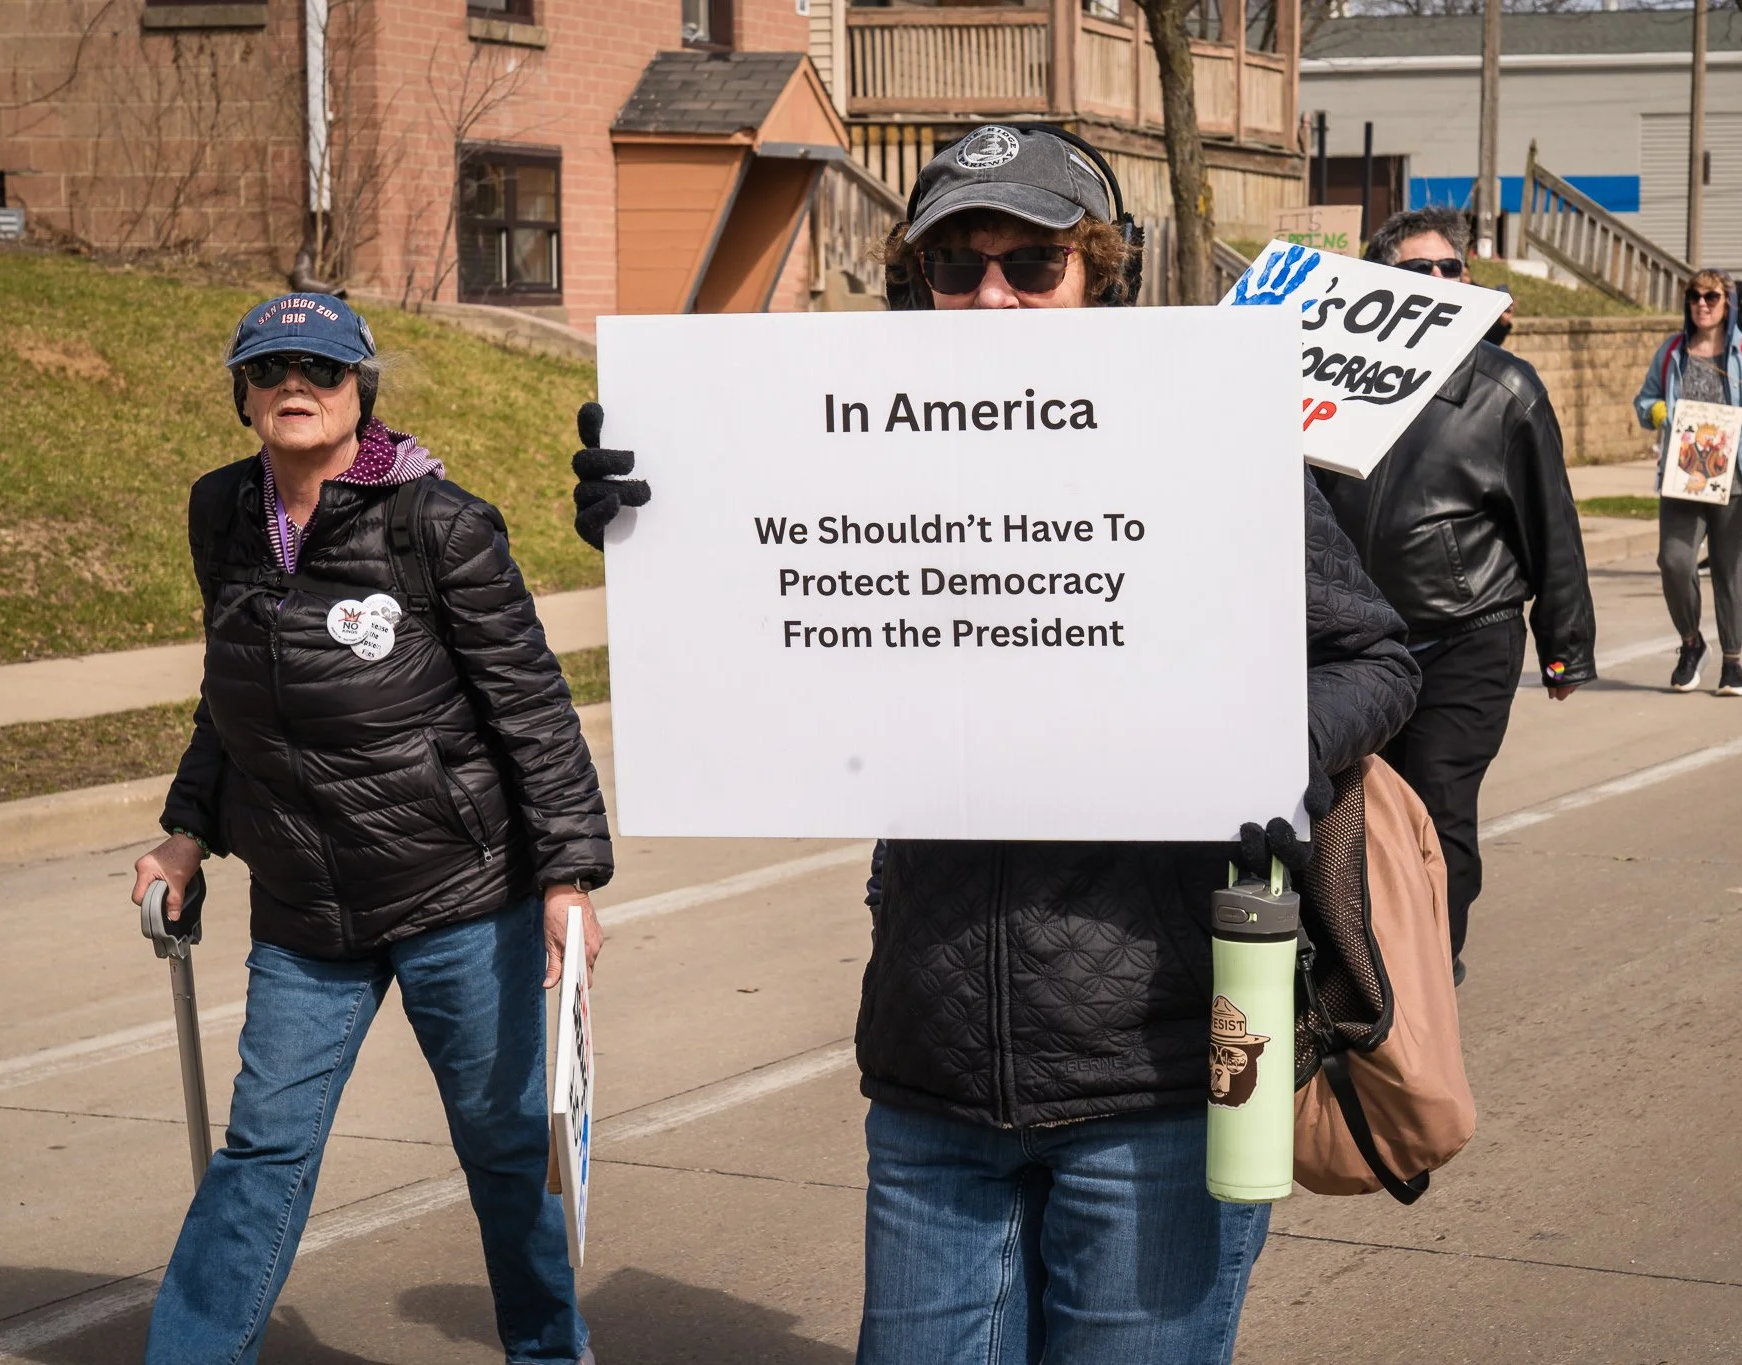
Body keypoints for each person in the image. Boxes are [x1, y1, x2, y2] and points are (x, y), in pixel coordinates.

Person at [573, 125, 1420, 1365]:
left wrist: (1268, 747)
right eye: (956, 265)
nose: (990, 295)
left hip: (1157, 1076)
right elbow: (764, 624)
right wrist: (671, 513)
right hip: (930, 1081)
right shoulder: (842, 453)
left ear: (1099, 277)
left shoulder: (1211, 451)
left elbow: (1378, 660)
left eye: (1032, 266)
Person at [135, 294, 610, 1365]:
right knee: (262, 1151)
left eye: (322, 369)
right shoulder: (221, 511)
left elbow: (529, 705)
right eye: (270, 371)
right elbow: (232, 693)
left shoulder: (436, 519)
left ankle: (549, 1351)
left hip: (456, 893)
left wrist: (568, 878)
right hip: (306, 907)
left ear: (361, 390)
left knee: (500, 1151)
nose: (294, 387)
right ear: (243, 394)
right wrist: (184, 832)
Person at [1316, 206, 1596, 985]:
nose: (1440, 284)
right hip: (1357, 644)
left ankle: (1430, 971)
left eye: (1453, 271)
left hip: (1469, 632)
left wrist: (1565, 643)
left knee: (1439, 806)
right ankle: (1356, 961)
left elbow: (1554, 524)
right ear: (1376, 288)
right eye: (1419, 272)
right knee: (1354, 817)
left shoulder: (1507, 391)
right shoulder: (1325, 383)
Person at [1636, 268, 1742, 699]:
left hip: (1741, 477)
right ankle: (1692, 643)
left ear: (1728, 303)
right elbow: (1646, 397)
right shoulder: (1673, 351)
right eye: (1694, 296)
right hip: (1685, 474)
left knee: (1730, 570)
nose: (1701, 304)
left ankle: (1733, 663)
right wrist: (1652, 410)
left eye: (1711, 296)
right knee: (1674, 561)